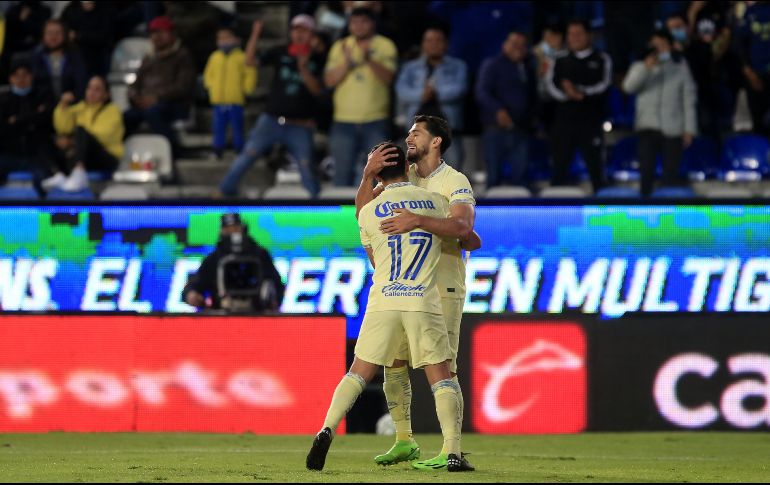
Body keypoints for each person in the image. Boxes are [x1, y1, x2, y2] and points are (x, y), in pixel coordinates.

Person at [306, 143, 468, 473]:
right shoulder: (437, 203)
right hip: (422, 299)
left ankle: (326, 428)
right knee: (440, 377)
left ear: (377, 173)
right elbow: (464, 234)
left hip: (384, 300)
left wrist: (368, 175)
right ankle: (452, 450)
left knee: (358, 372)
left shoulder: (368, 211)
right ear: (406, 167)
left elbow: (373, 256)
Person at [355, 115, 479, 471]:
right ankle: (404, 440)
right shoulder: (403, 177)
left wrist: (419, 220)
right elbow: (364, 214)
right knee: (393, 361)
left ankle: (451, 451)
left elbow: (463, 226)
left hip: (443, 286)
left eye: (417, 133)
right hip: (404, 288)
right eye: (409, 132)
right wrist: (367, 176)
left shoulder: (454, 180)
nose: (409, 137)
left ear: (437, 141)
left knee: (444, 368)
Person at [217, 16, 323, 198]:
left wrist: (304, 68)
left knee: (307, 167)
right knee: (246, 156)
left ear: (312, 34)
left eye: (304, 30)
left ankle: (317, 205)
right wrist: (255, 35)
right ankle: (222, 192)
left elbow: (318, 92)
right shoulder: (280, 52)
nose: (299, 34)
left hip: (300, 124)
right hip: (271, 120)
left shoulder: (319, 58)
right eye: (296, 29)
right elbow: (249, 61)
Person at [324, 7, 397, 187]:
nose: (358, 26)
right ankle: (344, 215)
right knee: (341, 174)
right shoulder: (340, 46)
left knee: (379, 175)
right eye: (354, 22)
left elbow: (389, 78)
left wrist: (368, 59)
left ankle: (374, 215)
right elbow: (329, 81)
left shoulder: (385, 45)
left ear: (372, 23)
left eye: (363, 21)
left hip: (376, 121)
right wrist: (347, 63)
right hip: (343, 121)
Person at [622, 30, 697, 197]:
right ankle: (644, 214)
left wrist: (689, 128)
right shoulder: (640, 66)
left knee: (670, 175)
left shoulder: (680, 66)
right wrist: (646, 69)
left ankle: (669, 218)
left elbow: (688, 98)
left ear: (670, 46)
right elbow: (628, 88)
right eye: (655, 45)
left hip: (673, 128)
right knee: (646, 173)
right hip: (647, 127)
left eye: (662, 45)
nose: (659, 49)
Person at [546, 19, 611, 193]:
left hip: (591, 123)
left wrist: (579, 92)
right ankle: (553, 213)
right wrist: (567, 94)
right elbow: (551, 86)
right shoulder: (559, 60)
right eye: (571, 34)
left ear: (589, 35)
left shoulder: (601, 58)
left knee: (596, 170)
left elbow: (604, 85)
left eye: (579, 34)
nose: (574, 38)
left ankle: (600, 212)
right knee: (559, 169)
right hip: (564, 124)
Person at [123, 15, 196, 163]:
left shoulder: (182, 56)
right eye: (153, 33)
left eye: (161, 32)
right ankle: (124, 155)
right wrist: (135, 97)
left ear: (172, 34)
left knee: (154, 113)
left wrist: (156, 98)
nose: (156, 37)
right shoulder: (149, 58)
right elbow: (134, 84)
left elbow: (183, 87)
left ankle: (173, 152)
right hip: (147, 103)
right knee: (126, 116)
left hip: (174, 104)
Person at [395, 26, 468, 169]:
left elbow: (459, 88)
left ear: (446, 44)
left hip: (448, 130)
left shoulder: (458, 66)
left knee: (453, 172)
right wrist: (421, 95)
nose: (433, 44)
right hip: (416, 132)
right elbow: (401, 90)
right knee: (413, 175)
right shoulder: (410, 68)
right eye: (429, 40)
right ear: (423, 44)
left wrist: (437, 92)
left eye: (438, 40)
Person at [183, 213, 285, 313]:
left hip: (256, 313)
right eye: (228, 230)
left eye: (235, 229)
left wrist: (274, 302)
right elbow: (194, 285)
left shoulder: (260, 255)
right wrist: (192, 294)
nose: (233, 234)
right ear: (222, 232)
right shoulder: (214, 259)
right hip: (222, 314)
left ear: (243, 229)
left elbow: (277, 285)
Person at [476, 31, 537, 189]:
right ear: (505, 45)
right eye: (514, 44)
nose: (518, 48)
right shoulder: (492, 64)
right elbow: (482, 92)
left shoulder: (528, 67)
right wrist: (498, 110)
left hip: (520, 130)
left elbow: (532, 96)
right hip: (495, 130)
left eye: (522, 45)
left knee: (521, 179)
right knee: (494, 178)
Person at [43, 75, 124, 193]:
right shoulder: (79, 108)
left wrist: (72, 141)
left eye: (97, 89)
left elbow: (104, 135)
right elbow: (62, 128)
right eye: (90, 88)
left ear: (106, 94)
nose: (92, 92)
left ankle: (79, 171)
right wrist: (63, 105)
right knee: (46, 139)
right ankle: (58, 174)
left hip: (106, 157)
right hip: (82, 154)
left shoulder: (113, 111)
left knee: (81, 131)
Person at [0, 59, 56, 193]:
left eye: (25, 75)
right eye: (17, 76)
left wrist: (16, 120)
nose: (21, 79)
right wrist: (32, 116)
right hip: (9, 154)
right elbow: (2, 128)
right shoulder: (3, 100)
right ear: (10, 79)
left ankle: (46, 212)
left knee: (46, 180)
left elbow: (45, 121)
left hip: (36, 155)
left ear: (31, 77)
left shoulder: (43, 96)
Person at [203, 24, 257, 159]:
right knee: (218, 128)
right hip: (218, 100)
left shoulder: (242, 57)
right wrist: (210, 85)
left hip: (235, 100)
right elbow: (208, 74)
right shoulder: (214, 57)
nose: (223, 41)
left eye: (227, 38)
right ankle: (217, 150)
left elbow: (250, 72)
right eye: (220, 38)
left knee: (237, 127)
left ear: (237, 39)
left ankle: (239, 149)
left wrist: (247, 88)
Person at [27, 19, 88, 101]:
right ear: (43, 35)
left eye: (58, 33)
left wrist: (74, 95)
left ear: (65, 35)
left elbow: (81, 82)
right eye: (49, 33)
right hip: (43, 105)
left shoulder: (75, 55)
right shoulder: (36, 55)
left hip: (71, 104)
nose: (53, 37)